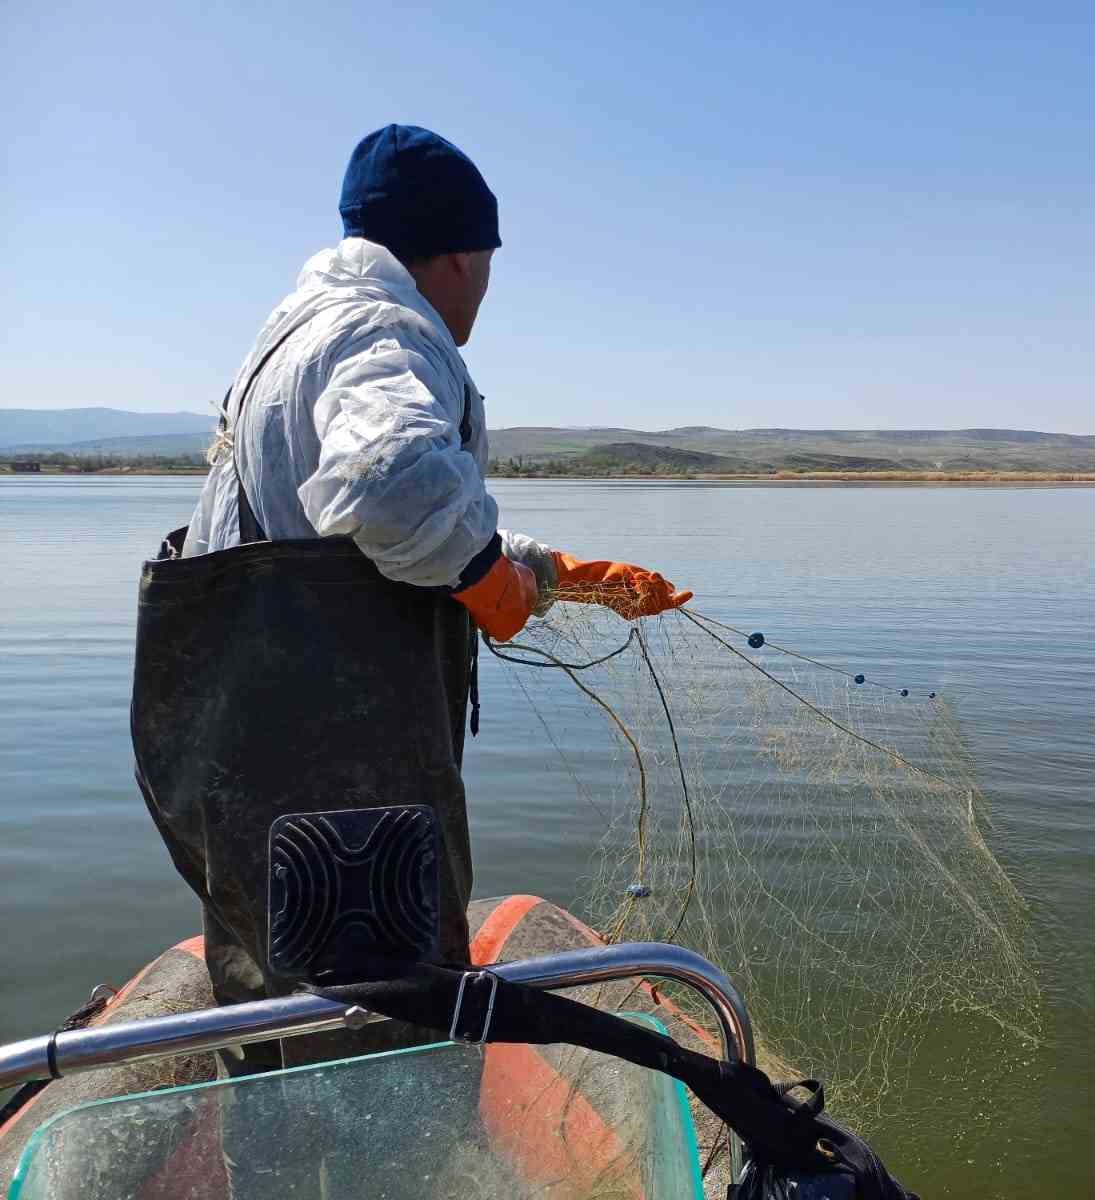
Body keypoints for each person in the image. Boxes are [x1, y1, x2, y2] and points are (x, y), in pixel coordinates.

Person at [131, 124, 689, 1082]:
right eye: (486, 268)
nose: (482, 293)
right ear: (461, 255)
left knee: (271, 1024)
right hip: (352, 810)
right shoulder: (387, 330)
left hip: (248, 780)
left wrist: (560, 572)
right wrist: (490, 587)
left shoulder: (293, 337)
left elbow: (348, 538)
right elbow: (387, 482)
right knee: (389, 1042)